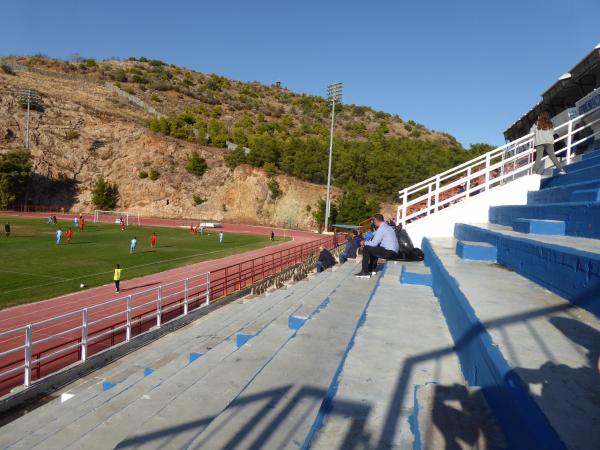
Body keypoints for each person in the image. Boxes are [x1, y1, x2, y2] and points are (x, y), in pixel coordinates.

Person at [355, 214, 399, 278]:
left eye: (373, 220)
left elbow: (374, 243)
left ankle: (364, 272)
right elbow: (375, 241)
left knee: (367, 248)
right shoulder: (388, 227)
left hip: (389, 252)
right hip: (394, 252)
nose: (373, 222)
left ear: (376, 220)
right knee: (374, 248)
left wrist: (364, 243)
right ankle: (371, 269)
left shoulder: (382, 228)